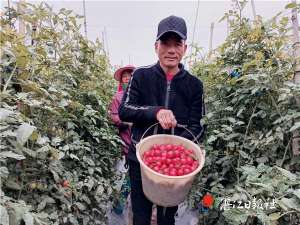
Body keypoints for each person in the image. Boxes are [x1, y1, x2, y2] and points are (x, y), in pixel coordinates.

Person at [119, 15, 205, 225]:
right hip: (141, 159)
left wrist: (177, 148)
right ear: (156, 46)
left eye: (178, 44)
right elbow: (125, 111)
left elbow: (198, 126)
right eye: (166, 43)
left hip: (175, 169)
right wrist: (155, 112)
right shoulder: (141, 76)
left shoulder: (194, 85)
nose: (171, 50)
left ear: (185, 48)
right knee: (141, 215)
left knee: (167, 217)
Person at [109, 65, 135, 223]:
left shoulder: (140, 95)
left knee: (134, 173)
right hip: (127, 141)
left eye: (130, 76)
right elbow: (114, 118)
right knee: (133, 173)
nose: (127, 79)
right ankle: (118, 204)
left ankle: (120, 202)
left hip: (143, 139)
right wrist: (128, 122)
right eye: (124, 77)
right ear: (121, 81)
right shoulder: (117, 97)